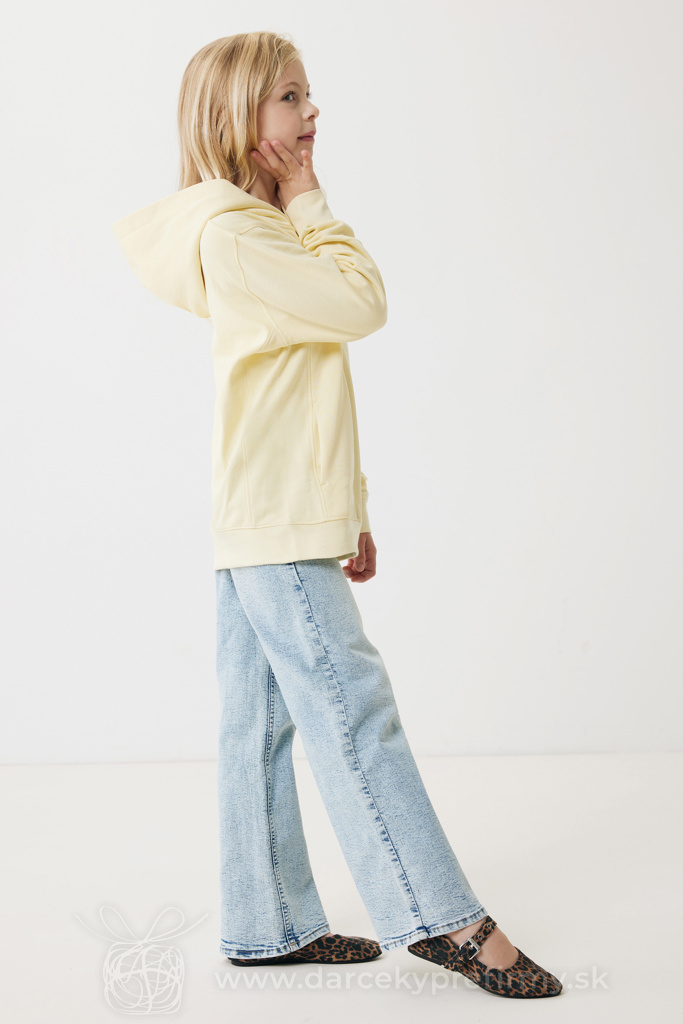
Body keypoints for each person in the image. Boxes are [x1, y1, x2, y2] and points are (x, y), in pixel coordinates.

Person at [111, 30, 562, 1000]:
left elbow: (302, 387)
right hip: (273, 519)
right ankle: (444, 919)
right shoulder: (239, 233)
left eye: (307, 93)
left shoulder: (252, 229)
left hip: (270, 512)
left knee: (258, 725)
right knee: (353, 707)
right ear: (239, 115)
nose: (311, 111)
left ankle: (266, 925)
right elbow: (361, 302)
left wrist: (346, 508)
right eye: (289, 96)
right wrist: (310, 196)